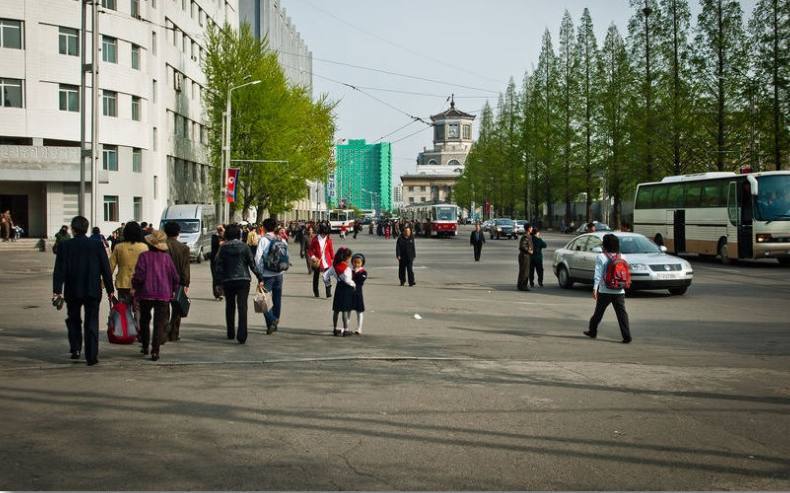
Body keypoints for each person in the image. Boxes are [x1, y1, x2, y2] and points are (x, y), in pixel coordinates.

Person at [52, 216, 115, 365]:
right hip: (93, 290)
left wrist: (57, 291)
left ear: (73, 229)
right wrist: (110, 290)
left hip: (72, 290)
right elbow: (105, 269)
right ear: (86, 229)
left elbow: (59, 271)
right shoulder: (97, 245)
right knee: (92, 321)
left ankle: (75, 349)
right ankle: (91, 356)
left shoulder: (64, 246)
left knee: (73, 319)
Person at [132, 230, 180, 360]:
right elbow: (175, 277)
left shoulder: (144, 256)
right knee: (159, 323)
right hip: (163, 295)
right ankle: (155, 350)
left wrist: (135, 287)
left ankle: (145, 345)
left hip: (146, 294)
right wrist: (174, 290)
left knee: (144, 320)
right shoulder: (167, 258)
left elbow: (139, 276)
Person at [213, 224, 263, 344]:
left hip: (228, 280)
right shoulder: (244, 247)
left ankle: (230, 332)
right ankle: (242, 334)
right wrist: (259, 276)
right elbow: (252, 263)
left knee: (230, 306)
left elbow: (218, 265)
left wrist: (218, 282)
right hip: (243, 280)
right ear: (239, 234)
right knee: (242, 306)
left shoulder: (223, 248)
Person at [584, 233, 632, 344]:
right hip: (619, 290)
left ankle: (592, 331)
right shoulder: (622, 257)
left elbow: (598, 274)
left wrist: (595, 289)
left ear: (605, 244)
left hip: (605, 290)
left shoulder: (601, 256)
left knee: (598, 313)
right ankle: (627, 336)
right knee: (622, 314)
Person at [255, 218, 287, 335]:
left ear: (264, 227)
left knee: (263, 299)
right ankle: (274, 322)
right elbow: (285, 256)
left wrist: (259, 274)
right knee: (277, 299)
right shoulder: (281, 239)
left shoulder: (263, 240)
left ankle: (271, 321)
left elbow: (257, 258)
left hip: (267, 275)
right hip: (279, 274)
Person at [109, 222, 148, 319]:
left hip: (123, 285)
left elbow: (110, 267)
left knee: (124, 313)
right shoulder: (144, 247)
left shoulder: (119, 247)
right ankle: (138, 332)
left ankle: (127, 333)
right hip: (140, 286)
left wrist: (104, 284)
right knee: (139, 311)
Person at [164, 221, 190, 342]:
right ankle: (174, 334)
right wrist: (186, 283)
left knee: (164, 308)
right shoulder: (184, 248)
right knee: (177, 308)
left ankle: (164, 332)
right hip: (179, 282)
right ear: (178, 233)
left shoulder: (161, 247)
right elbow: (185, 268)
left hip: (163, 281)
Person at [322, 247, 356, 336]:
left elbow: (325, 275)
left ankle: (335, 329)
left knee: (336, 310)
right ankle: (345, 330)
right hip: (346, 289)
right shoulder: (346, 269)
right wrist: (354, 285)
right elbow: (348, 280)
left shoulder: (334, 266)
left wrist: (328, 284)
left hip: (338, 288)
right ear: (346, 258)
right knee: (345, 310)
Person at [308, 223, 334, 298]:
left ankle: (328, 292)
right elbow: (310, 250)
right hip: (317, 261)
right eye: (324, 234)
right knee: (316, 277)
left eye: (326, 234)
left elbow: (331, 250)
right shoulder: (315, 239)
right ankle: (316, 292)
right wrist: (313, 257)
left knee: (327, 276)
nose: (325, 235)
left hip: (326, 261)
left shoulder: (328, 239)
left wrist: (333, 259)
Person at [350, 253, 367, 335]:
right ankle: (346, 327)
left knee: (359, 312)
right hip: (349, 294)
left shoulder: (363, 272)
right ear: (352, 262)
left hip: (358, 294)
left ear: (362, 263)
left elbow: (361, 280)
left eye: (358, 262)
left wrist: (356, 272)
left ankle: (359, 328)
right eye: (354, 262)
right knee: (347, 311)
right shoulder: (349, 271)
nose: (356, 264)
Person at [210, 225, 225, 301]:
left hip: (223, 261)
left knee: (223, 277)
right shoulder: (214, 237)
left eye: (221, 230)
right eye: (219, 230)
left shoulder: (226, 237)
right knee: (215, 278)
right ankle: (217, 294)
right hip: (215, 261)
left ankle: (222, 293)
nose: (220, 231)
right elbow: (216, 244)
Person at [517, 225, 534, 291]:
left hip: (526, 255)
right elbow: (522, 246)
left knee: (523, 271)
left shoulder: (528, 236)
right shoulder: (526, 236)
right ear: (529, 228)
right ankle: (523, 286)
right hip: (524, 256)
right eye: (531, 227)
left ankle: (520, 285)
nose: (532, 229)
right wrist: (529, 250)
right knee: (525, 271)